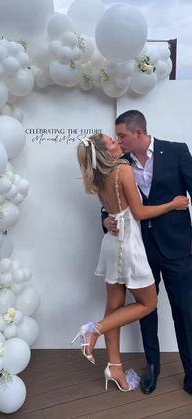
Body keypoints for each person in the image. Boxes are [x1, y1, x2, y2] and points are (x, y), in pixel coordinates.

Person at [71, 133, 188, 392]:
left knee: (114, 307)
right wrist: (174, 203)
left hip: (112, 245)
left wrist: (106, 220)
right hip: (129, 246)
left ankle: (115, 368)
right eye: (112, 141)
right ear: (105, 152)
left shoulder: (97, 175)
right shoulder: (123, 169)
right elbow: (139, 212)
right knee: (148, 303)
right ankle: (94, 331)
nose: (117, 142)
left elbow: (112, 210)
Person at [102, 109, 192, 395]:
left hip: (178, 248)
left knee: (184, 311)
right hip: (139, 250)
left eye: (122, 135)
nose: (119, 141)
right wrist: (105, 221)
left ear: (138, 132)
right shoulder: (120, 163)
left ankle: (191, 372)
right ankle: (152, 367)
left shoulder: (177, 152)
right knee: (146, 310)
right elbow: (109, 206)